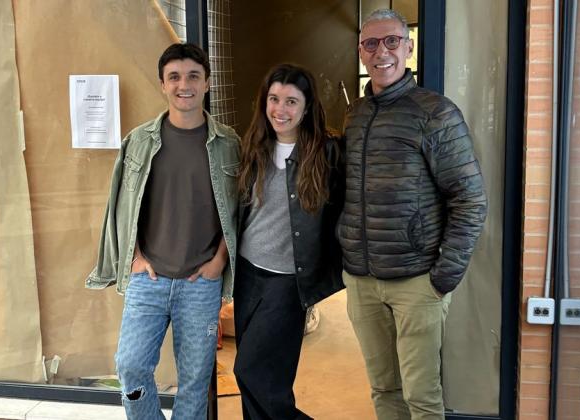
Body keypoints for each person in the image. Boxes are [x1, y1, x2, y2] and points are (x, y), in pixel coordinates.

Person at [338, 9, 487, 420]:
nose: (381, 52)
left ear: (408, 47)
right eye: (371, 43)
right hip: (363, 280)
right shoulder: (355, 115)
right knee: (384, 388)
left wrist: (442, 278)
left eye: (391, 41)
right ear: (361, 51)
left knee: (421, 396)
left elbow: (470, 200)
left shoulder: (436, 113)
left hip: (416, 281)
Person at [85, 43, 240, 420]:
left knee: (195, 380)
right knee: (131, 366)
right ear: (162, 84)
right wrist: (134, 257)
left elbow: (238, 210)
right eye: (174, 77)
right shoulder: (139, 141)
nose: (183, 85)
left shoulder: (228, 144)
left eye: (193, 76)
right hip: (147, 280)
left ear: (207, 84)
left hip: (200, 284)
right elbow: (123, 204)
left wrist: (219, 260)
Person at [233, 63, 345, 420]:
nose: (280, 110)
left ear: (307, 107)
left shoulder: (327, 153)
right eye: (274, 99)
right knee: (266, 379)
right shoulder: (252, 146)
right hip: (248, 273)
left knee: (250, 371)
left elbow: (346, 213)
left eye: (291, 102)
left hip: (289, 281)